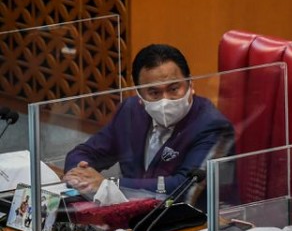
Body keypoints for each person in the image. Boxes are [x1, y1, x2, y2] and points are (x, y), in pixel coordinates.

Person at [64, 44, 234, 204]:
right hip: (131, 217)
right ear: (139, 95)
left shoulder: (212, 125)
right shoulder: (130, 112)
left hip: (192, 223)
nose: (165, 99)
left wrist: (109, 185)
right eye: (154, 92)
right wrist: (79, 175)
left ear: (191, 84)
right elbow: (85, 152)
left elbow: (185, 187)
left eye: (174, 89)